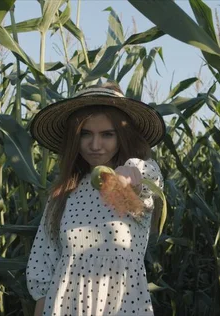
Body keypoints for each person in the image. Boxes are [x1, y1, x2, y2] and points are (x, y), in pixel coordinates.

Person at [26, 82, 165, 316]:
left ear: (123, 137)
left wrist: (129, 174)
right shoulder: (62, 194)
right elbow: (43, 265)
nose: (95, 145)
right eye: (85, 134)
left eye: (108, 135)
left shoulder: (135, 186)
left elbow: (149, 177)